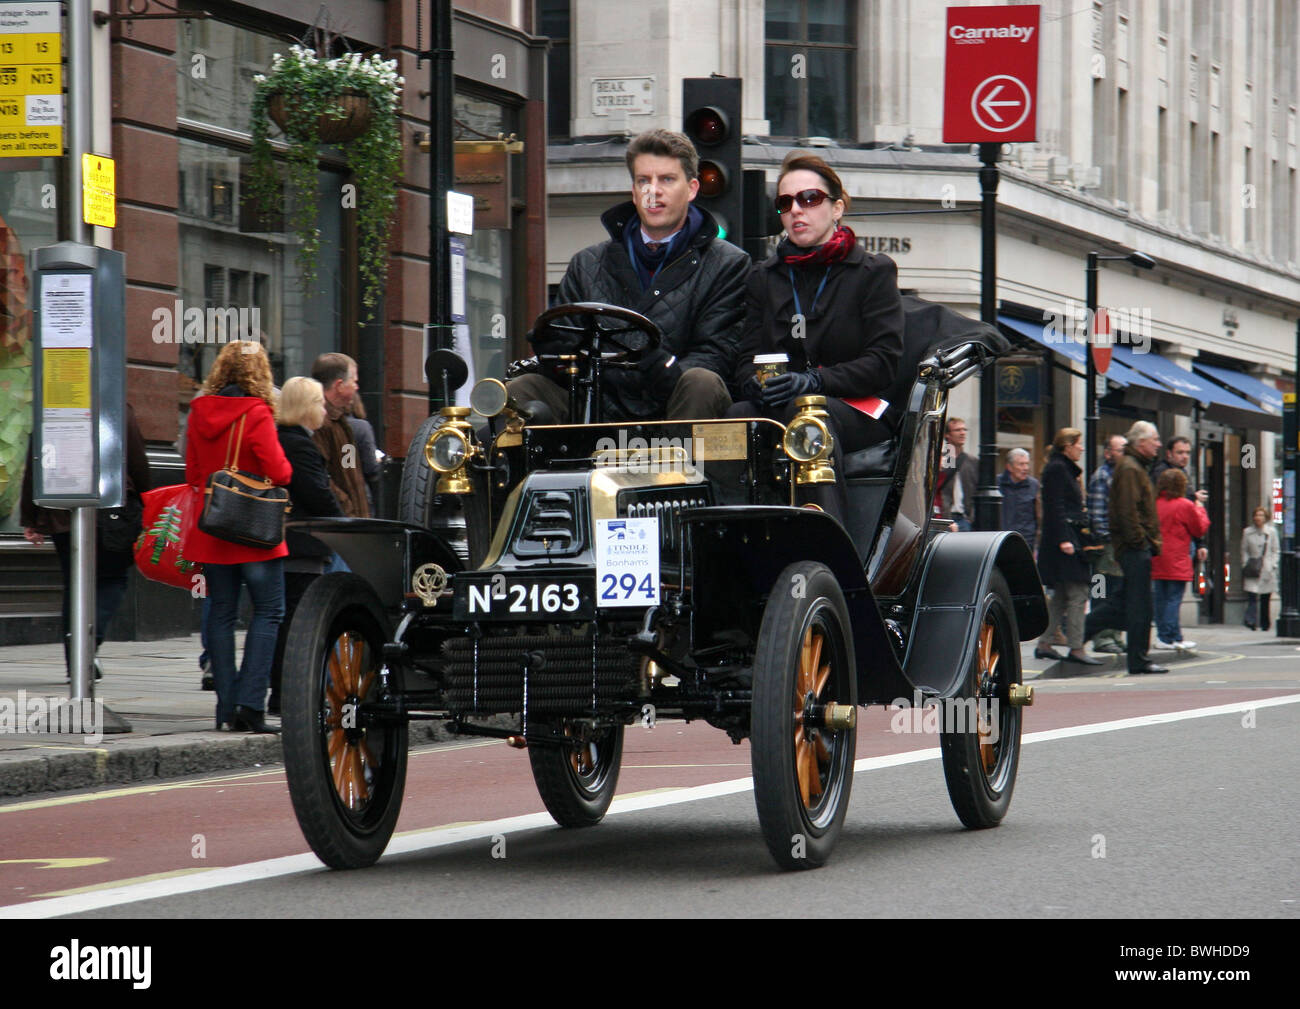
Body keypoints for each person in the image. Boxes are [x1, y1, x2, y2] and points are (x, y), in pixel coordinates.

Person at [508, 128, 750, 422]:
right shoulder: (587, 263)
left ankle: (686, 469)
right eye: (643, 181)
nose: (653, 191)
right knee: (521, 390)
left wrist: (667, 368)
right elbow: (567, 348)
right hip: (598, 408)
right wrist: (552, 350)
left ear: (692, 188)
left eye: (667, 180)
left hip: (675, 405)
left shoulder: (728, 263)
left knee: (701, 381)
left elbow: (718, 353)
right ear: (634, 192)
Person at [730, 152, 903, 519]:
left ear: (837, 208)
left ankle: (829, 544)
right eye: (785, 202)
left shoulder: (871, 271)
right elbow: (745, 359)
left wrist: (814, 381)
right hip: (781, 403)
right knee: (734, 418)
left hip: (856, 406)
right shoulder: (765, 277)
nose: (796, 210)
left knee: (807, 414)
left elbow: (883, 363)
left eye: (809, 199)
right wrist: (756, 384)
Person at [186, 341, 292, 733]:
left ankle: (226, 708)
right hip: (254, 529)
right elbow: (280, 472)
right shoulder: (258, 412)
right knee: (268, 612)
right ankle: (251, 705)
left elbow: (193, 472)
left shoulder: (198, 411)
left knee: (221, 615)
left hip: (214, 527)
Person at [21, 402, 151, 681]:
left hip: (61, 509)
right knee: (113, 578)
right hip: (110, 507)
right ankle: (88, 646)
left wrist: (31, 516)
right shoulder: (115, 403)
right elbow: (137, 459)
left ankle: (77, 661)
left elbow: (36, 460)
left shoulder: (54, 404)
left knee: (75, 584)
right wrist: (150, 500)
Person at [269, 377, 344, 716]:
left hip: (288, 543)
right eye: (320, 403)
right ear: (306, 407)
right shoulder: (298, 444)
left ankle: (282, 693)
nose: (324, 410)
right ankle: (287, 695)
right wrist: (342, 521)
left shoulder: (286, 439)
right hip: (301, 545)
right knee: (297, 623)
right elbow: (317, 495)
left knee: (285, 620)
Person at [1083, 420, 1167, 674]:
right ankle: (1138, 660)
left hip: (1135, 547)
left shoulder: (1135, 466)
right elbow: (1128, 511)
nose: (1159, 445)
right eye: (1155, 440)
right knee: (1139, 605)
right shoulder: (1131, 469)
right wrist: (1140, 542)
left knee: (1122, 602)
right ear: (1141, 443)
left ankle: (1080, 634)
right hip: (1133, 548)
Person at [1034, 429, 1100, 665]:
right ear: (1067, 446)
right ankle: (1076, 647)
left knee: (1061, 595)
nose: (1082, 448)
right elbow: (1055, 507)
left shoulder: (1061, 468)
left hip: (1067, 539)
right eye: (1079, 444)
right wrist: (1064, 539)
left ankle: (1044, 643)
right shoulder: (1058, 469)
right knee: (1079, 592)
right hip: (1065, 541)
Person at [1151, 467, 1210, 651]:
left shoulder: (1154, 503)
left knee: (1161, 598)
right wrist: (1200, 509)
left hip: (1157, 556)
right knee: (1174, 599)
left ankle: (1168, 636)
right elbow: (1199, 528)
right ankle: (1169, 637)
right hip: (1177, 558)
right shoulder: (1184, 505)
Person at [310, 353, 370, 518]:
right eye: (354, 381)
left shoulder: (341, 423)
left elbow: (348, 466)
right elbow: (321, 476)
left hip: (350, 520)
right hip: (337, 523)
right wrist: (346, 506)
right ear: (339, 385)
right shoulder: (319, 421)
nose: (357, 387)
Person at [1087, 433, 1127, 655]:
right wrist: (1106, 539)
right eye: (1120, 449)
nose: (1124, 454)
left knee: (1118, 591)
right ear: (1108, 453)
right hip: (1107, 544)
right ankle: (1101, 638)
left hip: (1120, 543)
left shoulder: (1122, 475)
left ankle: (1114, 634)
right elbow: (1097, 514)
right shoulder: (1102, 476)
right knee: (1103, 590)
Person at [1150, 435, 1207, 565]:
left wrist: (1199, 543)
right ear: (1169, 454)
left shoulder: (1182, 473)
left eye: (1187, 452)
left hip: (1181, 539)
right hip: (1170, 540)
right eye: (1180, 452)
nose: (1185, 456)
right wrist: (1194, 499)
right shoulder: (1162, 472)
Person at [1241, 506, 1280, 631]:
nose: (1258, 517)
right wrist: (1245, 563)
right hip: (1252, 567)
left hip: (1267, 567)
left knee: (1265, 598)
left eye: (1261, 515)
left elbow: (1275, 550)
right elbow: (1244, 550)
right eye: (1257, 515)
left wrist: (1273, 564)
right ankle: (1251, 621)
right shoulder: (1247, 532)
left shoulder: (1272, 532)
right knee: (1252, 596)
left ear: (1266, 518)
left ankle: (1265, 623)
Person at [938, 416, 977, 531]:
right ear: (947, 435)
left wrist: (971, 517)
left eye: (964, 429)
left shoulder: (972, 461)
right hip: (946, 518)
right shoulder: (942, 459)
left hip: (965, 519)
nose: (962, 433)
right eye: (957, 430)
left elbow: (976, 491)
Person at [345, 394, 382, 516]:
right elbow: (371, 468)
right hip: (359, 494)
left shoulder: (324, 426)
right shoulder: (362, 427)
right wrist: (378, 462)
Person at [998, 448, 1039, 550]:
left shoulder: (1034, 485)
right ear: (1009, 467)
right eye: (1021, 464)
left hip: (1025, 541)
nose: (1025, 468)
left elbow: (1038, 515)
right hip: (1000, 540)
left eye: (1027, 464)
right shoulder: (996, 484)